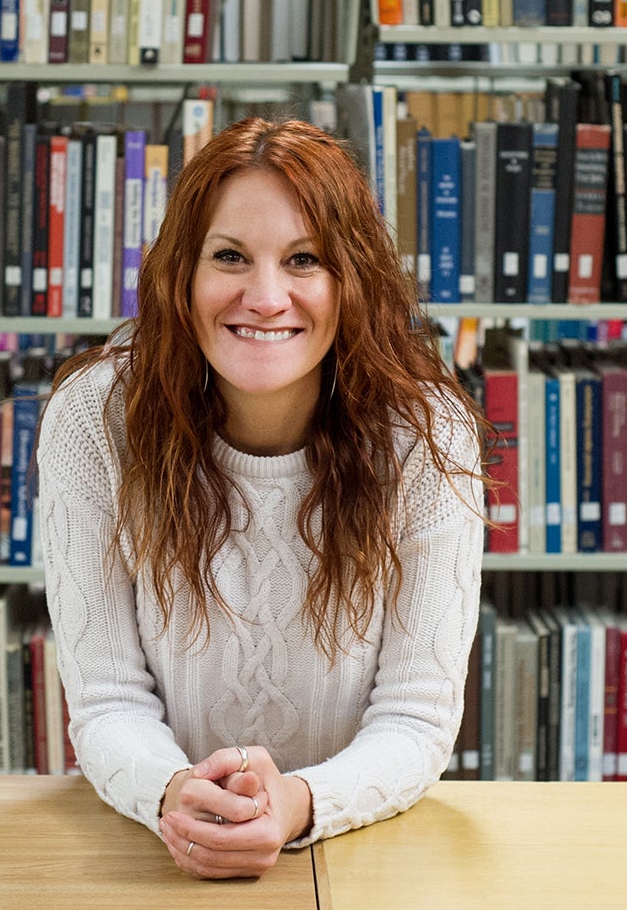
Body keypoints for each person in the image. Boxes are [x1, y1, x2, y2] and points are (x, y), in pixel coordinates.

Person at [37, 116, 490, 880]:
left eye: (304, 258)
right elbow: (108, 699)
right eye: (230, 257)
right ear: (182, 273)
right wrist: (173, 792)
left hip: (359, 857)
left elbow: (417, 717)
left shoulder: (427, 434)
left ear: (351, 280)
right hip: (162, 857)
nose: (267, 295)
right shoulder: (95, 420)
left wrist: (298, 803)